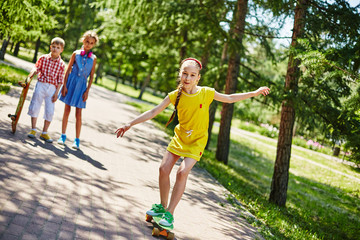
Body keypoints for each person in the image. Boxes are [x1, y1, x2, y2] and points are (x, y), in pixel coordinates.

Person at [115, 58, 270, 228]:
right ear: (180, 74)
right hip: (180, 138)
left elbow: (230, 98)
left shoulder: (206, 93)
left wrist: (254, 93)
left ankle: (170, 214)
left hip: (197, 142)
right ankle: (162, 206)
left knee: (182, 172)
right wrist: (129, 124)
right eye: (185, 74)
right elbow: (153, 111)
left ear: (198, 78)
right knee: (163, 169)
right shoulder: (174, 96)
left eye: (192, 75)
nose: (187, 78)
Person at [57, 30, 98, 149]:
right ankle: (63, 135)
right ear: (83, 41)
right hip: (71, 83)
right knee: (67, 109)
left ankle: (77, 140)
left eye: (91, 43)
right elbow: (68, 70)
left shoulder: (93, 58)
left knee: (78, 113)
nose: (88, 44)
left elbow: (91, 76)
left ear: (93, 45)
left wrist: (87, 91)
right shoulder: (76, 54)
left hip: (81, 86)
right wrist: (64, 86)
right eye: (86, 41)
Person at [27, 37, 66, 143]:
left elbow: (60, 80)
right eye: (53, 46)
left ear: (61, 50)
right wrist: (33, 71)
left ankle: (44, 132)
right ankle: (33, 129)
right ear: (50, 47)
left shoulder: (62, 64)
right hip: (41, 84)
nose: (55, 49)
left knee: (50, 111)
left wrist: (56, 93)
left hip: (52, 88)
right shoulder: (43, 58)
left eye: (58, 48)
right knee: (35, 105)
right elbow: (37, 67)